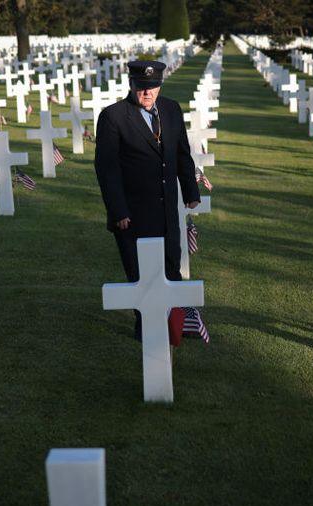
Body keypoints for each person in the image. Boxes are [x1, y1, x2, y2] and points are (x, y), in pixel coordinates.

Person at [94, 59, 201, 339]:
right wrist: (118, 211)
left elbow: (181, 153)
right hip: (133, 214)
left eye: (153, 87)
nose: (147, 93)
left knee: (171, 267)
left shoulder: (171, 109)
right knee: (140, 275)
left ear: (160, 85)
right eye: (142, 88)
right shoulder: (113, 117)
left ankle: (176, 325)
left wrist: (190, 191)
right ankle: (148, 329)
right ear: (131, 85)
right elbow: (107, 169)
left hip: (167, 210)